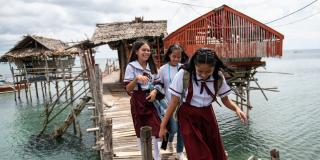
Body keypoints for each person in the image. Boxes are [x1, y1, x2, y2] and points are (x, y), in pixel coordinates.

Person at [159, 48, 247, 160]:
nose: (204, 75)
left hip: (208, 116)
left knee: (216, 151)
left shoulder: (218, 77)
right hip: (188, 116)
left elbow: (226, 100)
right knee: (199, 153)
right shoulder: (184, 74)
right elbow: (174, 102)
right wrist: (163, 126)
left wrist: (237, 109)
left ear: (214, 68)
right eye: (199, 71)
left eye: (208, 72)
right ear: (194, 65)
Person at [123, 39, 161, 160]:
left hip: (151, 100)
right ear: (136, 52)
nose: (147, 52)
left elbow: (158, 83)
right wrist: (136, 79)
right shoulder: (131, 67)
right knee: (140, 131)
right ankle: (145, 156)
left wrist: (155, 91)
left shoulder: (152, 66)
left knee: (157, 130)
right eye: (143, 50)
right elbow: (128, 89)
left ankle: (157, 157)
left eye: (149, 50)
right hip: (137, 101)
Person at [155, 44, 188, 159]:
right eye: (174, 56)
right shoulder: (163, 69)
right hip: (169, 104)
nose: (176, 59)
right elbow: (158, 85)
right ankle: (167, 142)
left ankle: (179, 152)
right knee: (172, 128)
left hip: (182, 104)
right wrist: (155, 91)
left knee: (182, 128)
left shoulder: (184, 68)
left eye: (178, 57)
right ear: (169, 55)